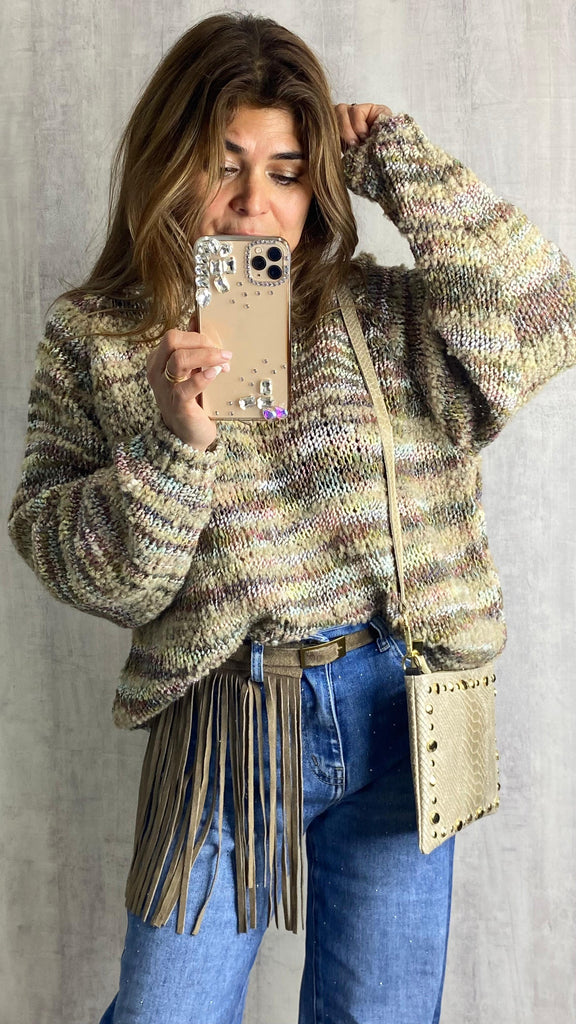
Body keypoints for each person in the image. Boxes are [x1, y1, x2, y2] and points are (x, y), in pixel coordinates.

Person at [7, 12, 576, 1024]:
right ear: (168, 163)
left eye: (287, 171)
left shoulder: (384, 314)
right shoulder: (100, 336)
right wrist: (175, 445)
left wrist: (399, 161)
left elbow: (543, 319)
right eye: (223, 165)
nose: (253, 204)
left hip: (403, 707)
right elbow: (85, 568)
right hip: (226, 716)